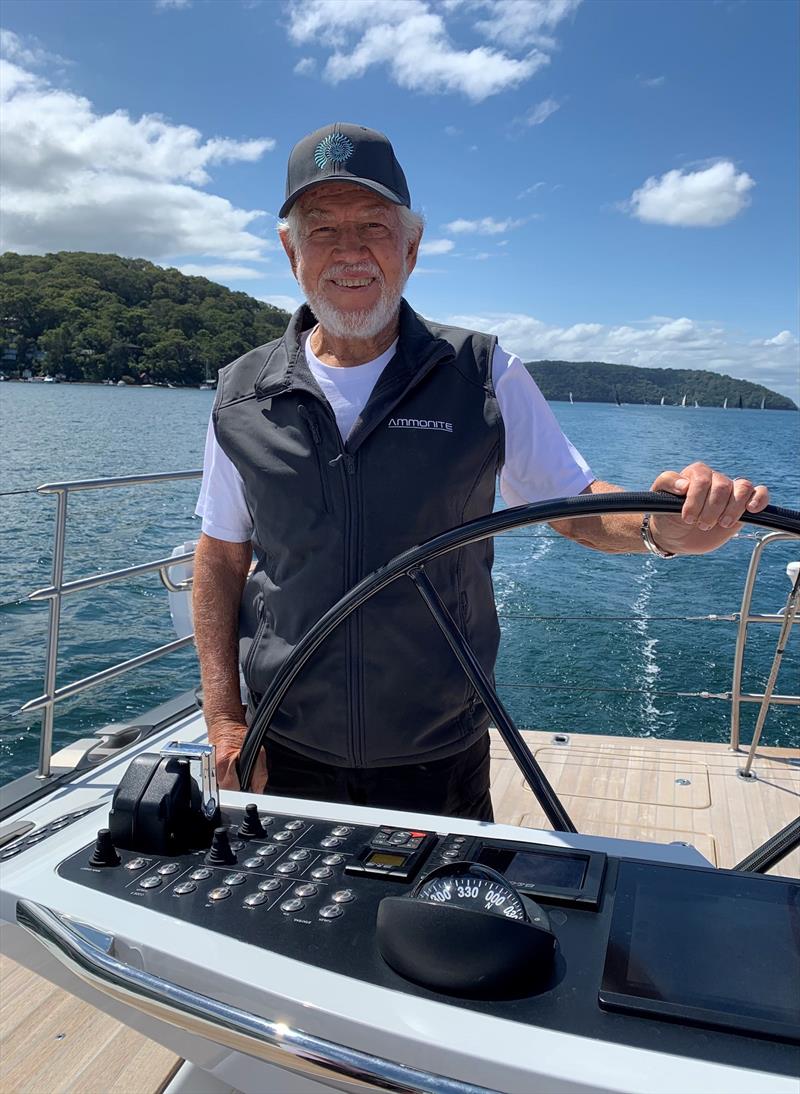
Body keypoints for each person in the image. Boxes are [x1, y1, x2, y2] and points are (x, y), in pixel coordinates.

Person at [193, 122, 769, 819]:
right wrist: (225, 719)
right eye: (322, 230)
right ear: (291, 250)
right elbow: (222, 558)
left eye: (373, 226)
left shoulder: (484, 376)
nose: (349, 252)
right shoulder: (241, 394)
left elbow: (574, 507)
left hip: (437, 751)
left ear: (411, 246)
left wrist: (665, 524)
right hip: (281, 745)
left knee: (447, 926)